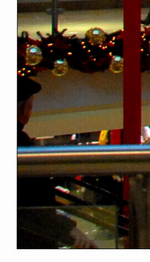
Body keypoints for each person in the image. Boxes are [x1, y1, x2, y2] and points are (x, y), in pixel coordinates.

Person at [18, 76, 99, 249]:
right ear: (25, 108)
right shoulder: (23, 149)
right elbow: (33, 204)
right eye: (30, 106)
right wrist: (65, 228)